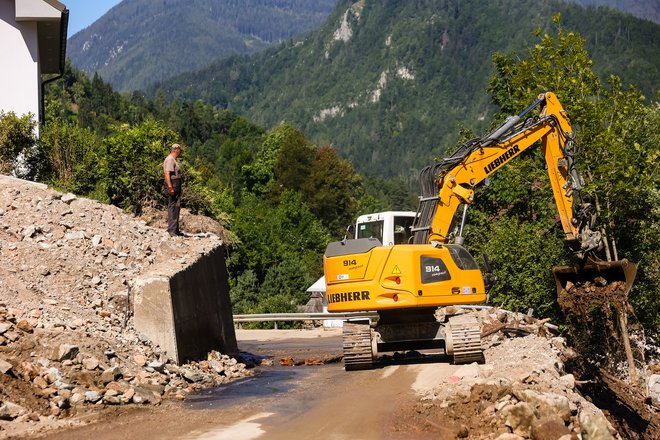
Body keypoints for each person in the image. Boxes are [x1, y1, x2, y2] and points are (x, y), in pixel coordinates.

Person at [163, 143, 183, 236]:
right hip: (173, 185)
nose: (180, 152)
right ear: (176, 150)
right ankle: (172, 230)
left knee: (176, 207)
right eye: (180, 150)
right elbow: (167, 174)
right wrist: (170, 187)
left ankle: (175, 230)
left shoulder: (173, 159)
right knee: (173, 207)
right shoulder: (170, 159)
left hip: (175, 185)